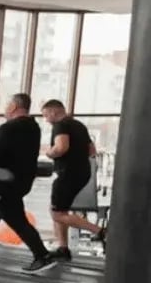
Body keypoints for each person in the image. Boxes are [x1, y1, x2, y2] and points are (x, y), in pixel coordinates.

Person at [0, 93, 56, 273]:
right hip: (19, 181)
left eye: (7, 105)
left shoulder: (9, 129)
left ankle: (42, 255)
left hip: (3, 182)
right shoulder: (33, 127)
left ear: (14, 106)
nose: (5, 108)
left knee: (16, 219)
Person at [41, 99, 106, 258]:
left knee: (57, 213)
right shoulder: (79, 125)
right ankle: (63, 248)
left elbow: (61, 148)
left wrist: (49, 153)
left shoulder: (60, 125)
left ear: (54, 112)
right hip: (83, 173)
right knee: (59, 209)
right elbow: (92, 150)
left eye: (46, 115)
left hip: (67, 174)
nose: (46, 119)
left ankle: (101, 232)